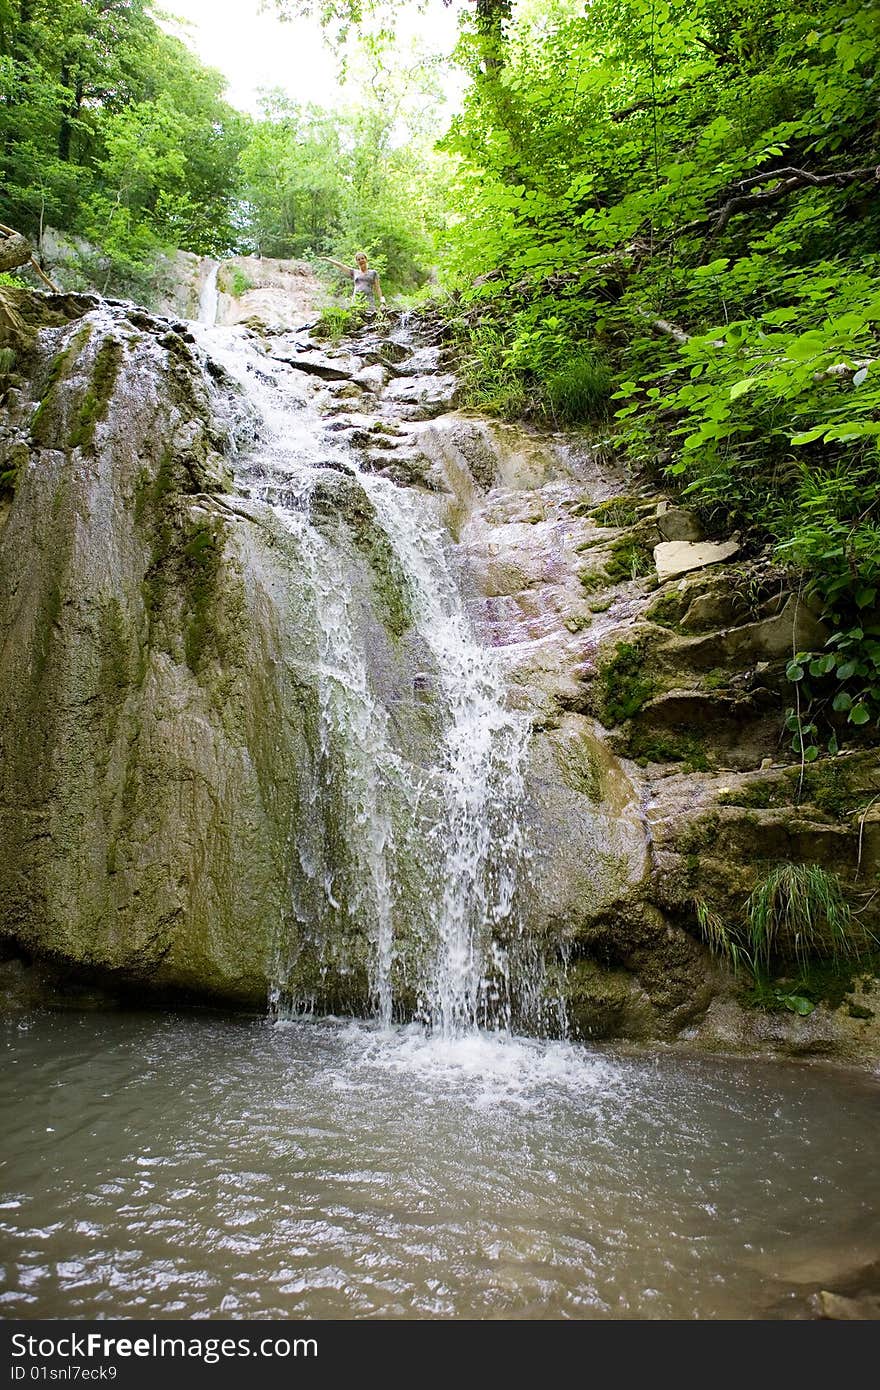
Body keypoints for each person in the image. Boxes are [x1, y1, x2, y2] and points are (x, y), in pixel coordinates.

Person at [320, 252, 387, 311]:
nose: (361, 260)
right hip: (357, 300)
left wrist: (382, 301)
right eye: (358, 259)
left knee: (370, 318)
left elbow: (377, 288)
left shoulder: (373, 273)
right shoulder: (354, 272)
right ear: (357, 262)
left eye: (362, 258)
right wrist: (327, 259)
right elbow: (340, 265)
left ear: (366, 259)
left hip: (369, 300)